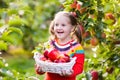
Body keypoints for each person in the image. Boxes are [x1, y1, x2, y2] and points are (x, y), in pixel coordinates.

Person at [35, 11, 85, 80]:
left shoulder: (77, 48)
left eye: (63, 25)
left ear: (72, 28)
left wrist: (71, 72)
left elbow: (79, 67)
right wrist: (40, 70)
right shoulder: (51, 44)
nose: (59, 27)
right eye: (56, 25)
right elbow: (45, 60)